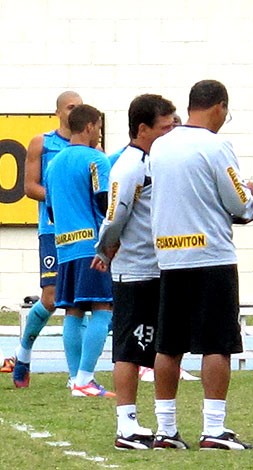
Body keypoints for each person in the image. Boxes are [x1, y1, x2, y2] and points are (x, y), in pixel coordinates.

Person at [149, 79, 253, 450]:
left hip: (170, 256)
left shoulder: (160, 147)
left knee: (169, 345)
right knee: (216, 344)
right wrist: (251, 191)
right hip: (211, 257)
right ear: (219, 107)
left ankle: (165, 428)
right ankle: (213, 428)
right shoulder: (216, 146)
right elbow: (240, 203)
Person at [92, 94, 176, 449]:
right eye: (165, 127)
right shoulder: (129, 165)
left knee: (157, 345)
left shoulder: (153, 161)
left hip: (157, 268)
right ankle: (126, 424)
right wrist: (105, 247)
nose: (171, 133)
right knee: (129, 348)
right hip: (135, 271)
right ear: (143, 129)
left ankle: (160, 424)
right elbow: (115, 214)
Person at [13, 91, 83, 388]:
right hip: (52, 230)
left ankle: (77, 377)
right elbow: (30, 187)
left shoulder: (91, 145)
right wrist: (63, 197)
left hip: (81, 233)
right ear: (58, 112)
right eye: (70, 107)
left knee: (77, 303)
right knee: (52, 298)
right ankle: (23, 353)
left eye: (80, 107)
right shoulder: (42, 143)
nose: (75, 112)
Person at [45, 104, 115, 398]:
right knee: (102, 307)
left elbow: (50, 209)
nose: (99, 133)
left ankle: (75, 378)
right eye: (98, 126)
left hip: (65, 247)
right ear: (88, 127)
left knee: (73, 311)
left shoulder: (53, 165)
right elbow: (103, 202)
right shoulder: (96, 160)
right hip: (92, 246)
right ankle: (86, 378)